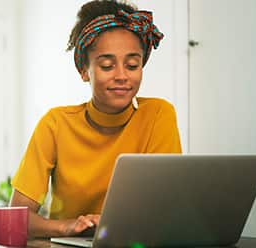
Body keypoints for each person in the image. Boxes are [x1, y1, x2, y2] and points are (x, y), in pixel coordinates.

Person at [10, 0, 181, 238]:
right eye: (107, 66)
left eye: (132, 65)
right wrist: (69, 227)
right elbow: (17, 217)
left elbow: (166, 207)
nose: (122, 76)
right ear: (83, 70)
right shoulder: (56, 124)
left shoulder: (158, 115)